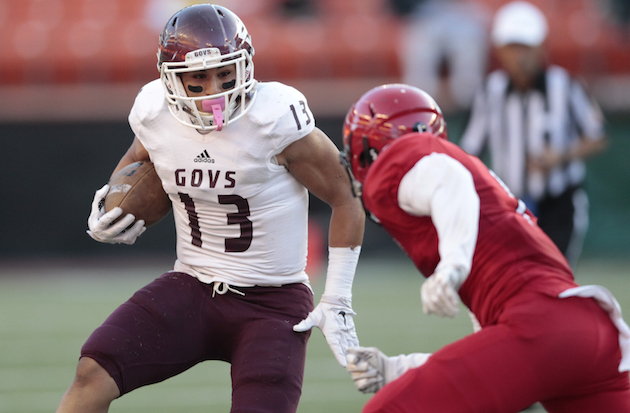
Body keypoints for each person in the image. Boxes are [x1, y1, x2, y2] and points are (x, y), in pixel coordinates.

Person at [56, 4, 365, 413]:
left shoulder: (274, 118)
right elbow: (139, 160)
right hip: (192, 284)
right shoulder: (155, 111)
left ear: (246, 65)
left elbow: (347, 198)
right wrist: (112, 203)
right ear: (171, 79)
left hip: (272, 303)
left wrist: (337, 297)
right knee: (92, 372)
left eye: (225, 73)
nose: (215, 89)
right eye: (198, 78)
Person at [340, 83, 630, 412]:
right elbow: (493, 348)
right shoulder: (479, 204)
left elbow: (448, 177)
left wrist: (453, 264)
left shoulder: (406, 164)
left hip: (543, 326)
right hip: (591, 334)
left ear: (370, 149)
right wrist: (399, 368)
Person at [459, 1, 608, 268]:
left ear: (540, 47)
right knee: (512, 278)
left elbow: (597, 135)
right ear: (500, 50)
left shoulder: (566, 86)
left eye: (525, 47)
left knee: (554, 276)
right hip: (509, 203)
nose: (519, 56)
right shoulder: (489, 91)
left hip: (559, 203)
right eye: (512, 47)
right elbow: (470, 149)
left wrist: (561, 155)